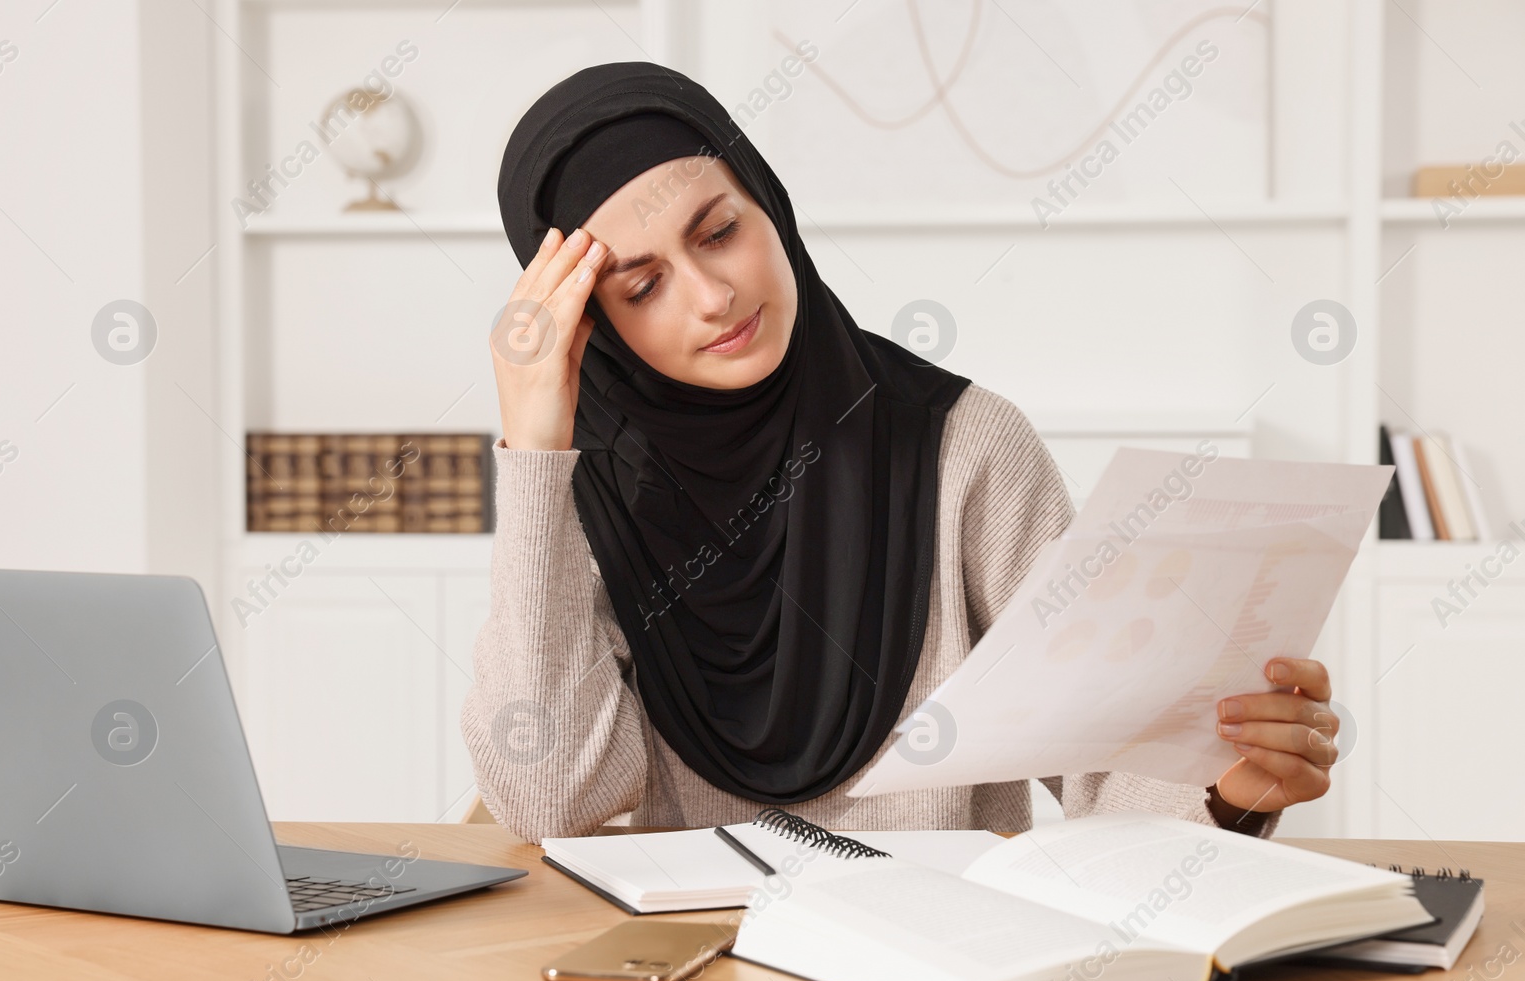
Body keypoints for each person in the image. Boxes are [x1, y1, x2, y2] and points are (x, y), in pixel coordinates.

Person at [462, 61, 1339, 844]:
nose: (713, 294)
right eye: (644, 286)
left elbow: (1102, 769)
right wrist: (535, 450)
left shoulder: (967, 449)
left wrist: (1227, 792)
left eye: (720, 231)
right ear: (596, 329)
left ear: (769, 205)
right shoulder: (585, 503)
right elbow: (551, 799)